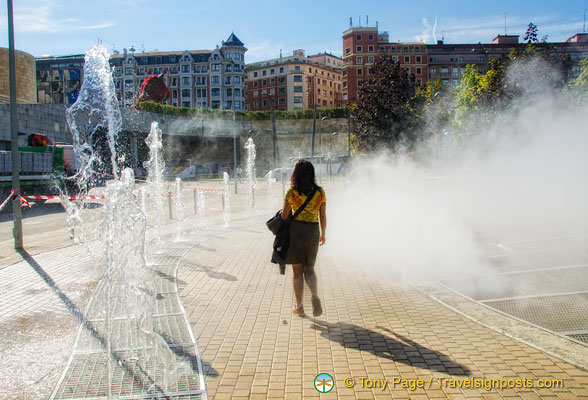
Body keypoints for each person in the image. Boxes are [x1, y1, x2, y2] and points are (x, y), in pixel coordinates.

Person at [281, 159, 326, 317]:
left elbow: (285, 216)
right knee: (310, 270)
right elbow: (322, 215)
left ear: (296, 174)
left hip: (296, 231)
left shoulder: (292, 192)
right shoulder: (320, 192)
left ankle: (299, 307)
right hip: (313, 230)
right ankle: (314, 295)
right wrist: (323, 234)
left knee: (297, 271)